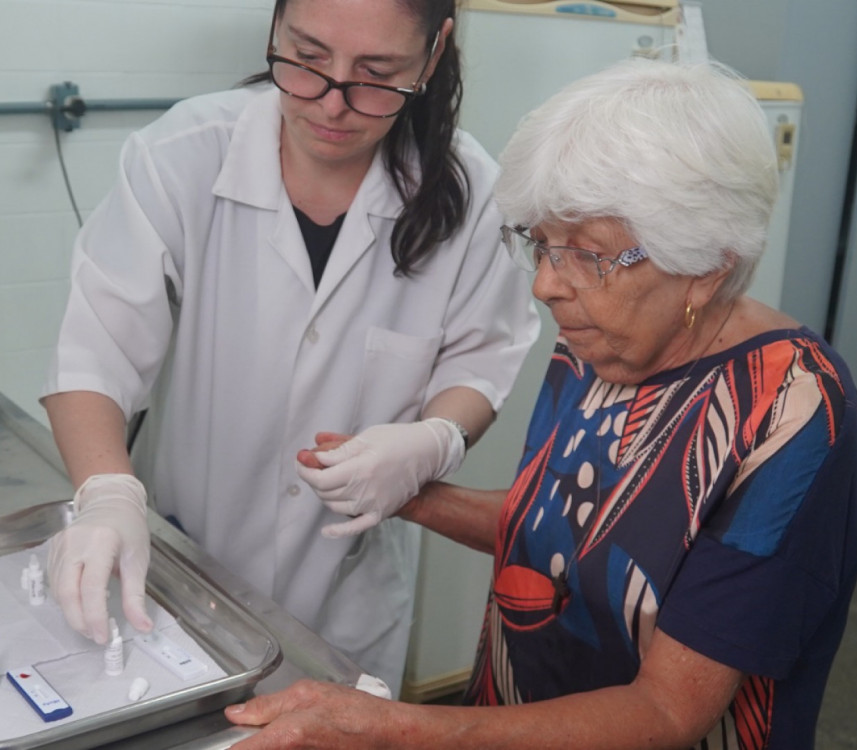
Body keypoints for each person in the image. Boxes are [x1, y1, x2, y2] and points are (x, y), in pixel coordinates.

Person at [224, 58, 857, 749]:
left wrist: (395, 729)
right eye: (539, 245)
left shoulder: (790, 418)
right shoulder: (602, 339)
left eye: (585, 253)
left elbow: (667, 714)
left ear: (705, 269)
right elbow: (571, 526)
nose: (544, 285)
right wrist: (409, 491)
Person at [39, 0, 538, 694]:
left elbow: (482, 359)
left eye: (375, 74)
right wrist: (108, 493)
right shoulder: (181, 154)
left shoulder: (471, 193)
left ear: (432, 54)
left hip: (347, 586)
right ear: (275, 29)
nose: (332, 103)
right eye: (305, 60)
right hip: (190, 551)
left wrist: (433, 441)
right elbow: (93, 350)